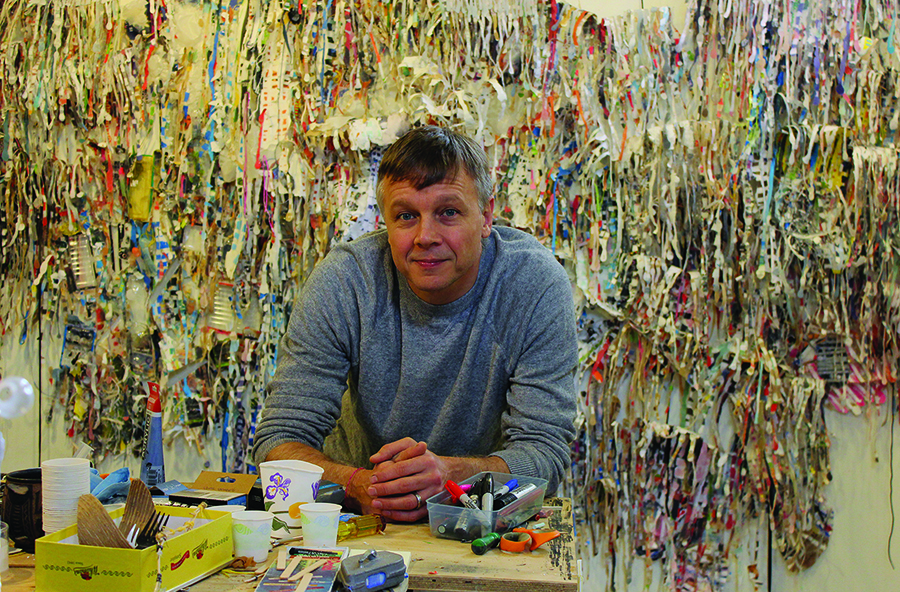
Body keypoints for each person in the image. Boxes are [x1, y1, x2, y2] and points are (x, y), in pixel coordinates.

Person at [252, 125, 577, 522]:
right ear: (384, 222)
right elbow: (278, 440)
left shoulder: (533, 284)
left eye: (449, 212)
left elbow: (545, 454)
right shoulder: (345, 281)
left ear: (487, 215)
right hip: (356, 516)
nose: (426, 236)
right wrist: (359, 486)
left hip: (473, 519)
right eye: (406, 216)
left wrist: (451, 476)